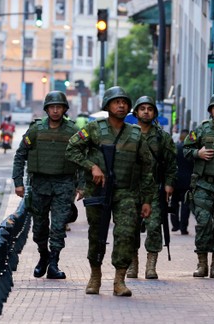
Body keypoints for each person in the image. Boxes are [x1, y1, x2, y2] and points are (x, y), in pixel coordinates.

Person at [65, 87, 155, 297]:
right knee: (96, 235)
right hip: (98, 191)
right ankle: (95, 276)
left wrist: (147, 200)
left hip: (126, 192)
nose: (121, 105)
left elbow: (147, 168)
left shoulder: (135, 134)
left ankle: (119, 280)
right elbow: (72, 149)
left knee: (125, 234)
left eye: (124, 102)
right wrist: (91, 166)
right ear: (107, 106)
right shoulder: (94, 129)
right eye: (116, 102)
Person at [12, 91, 82, 280]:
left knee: (58, 227)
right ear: (47, 109)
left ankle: (54, 263)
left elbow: (83, 158)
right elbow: (20, 155)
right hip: (40, 185)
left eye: (59, 107)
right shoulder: (36, 129)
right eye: (52, 107)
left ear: (65, 109)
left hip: (64, 184)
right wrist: (18, 183)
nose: (56, 110)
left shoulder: (72, 131)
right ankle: (43, 255)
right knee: (39, 228)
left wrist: (82, 185)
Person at [126, 96, 177, 280]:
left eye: (150, 108)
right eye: (142, 108)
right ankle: (132, 264)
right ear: (136, 113)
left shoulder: (162, 137)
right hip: (131, 190)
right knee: (130, 228)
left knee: (154, 226)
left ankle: (151, 265)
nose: (146, 111)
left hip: (154, 189)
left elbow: (172, 163)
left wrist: (169, 184)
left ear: (154, 113)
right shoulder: (128, 134)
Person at [183, 93, 214, 279]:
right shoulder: (202, 129)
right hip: (203, 185)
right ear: (210, 110)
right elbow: (185, 149)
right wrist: (198, 153)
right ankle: (202, 263)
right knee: (204, 223)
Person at [170, 129, 192, 235]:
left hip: (175, 180)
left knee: (174, 203)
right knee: (185, 205)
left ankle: (175, 225)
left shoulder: (175, 148)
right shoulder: (191, 151)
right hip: (187, 181)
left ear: (180, 138)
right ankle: (183, 227)